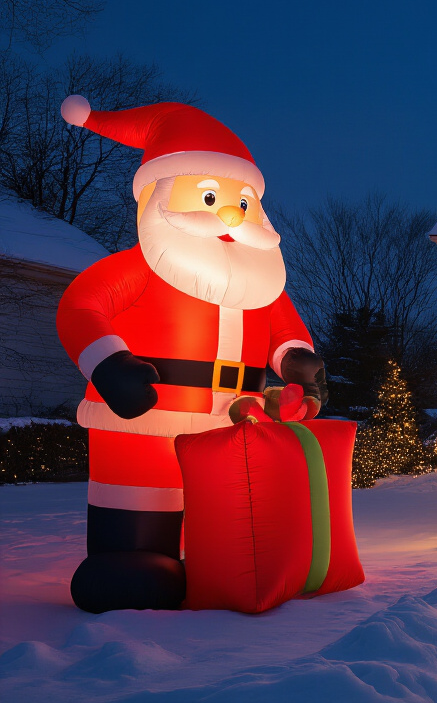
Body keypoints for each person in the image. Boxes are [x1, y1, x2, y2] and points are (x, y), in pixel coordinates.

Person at [56, 97, 327, 613]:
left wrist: (298, 364)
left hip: (233, 429)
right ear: (156, 199)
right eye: (208, 196)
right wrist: (110, 364)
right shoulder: (139, 267)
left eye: (243, 203)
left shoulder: (262, 284)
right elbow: (80, 308)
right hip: (146, 418)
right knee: (142, 505)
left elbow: (287, 336)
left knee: (229, 513)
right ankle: (129, 560)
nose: (229, 213)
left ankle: (227, 567)